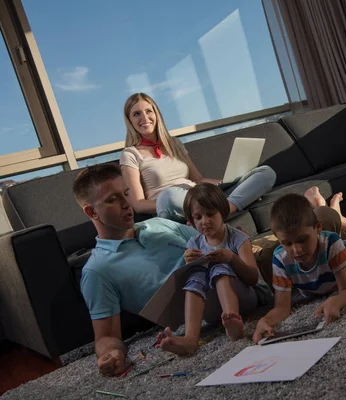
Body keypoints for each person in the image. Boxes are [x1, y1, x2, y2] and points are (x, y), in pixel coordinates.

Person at [73, 164, 268, 376]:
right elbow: (106, 336)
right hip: (204, 305)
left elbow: (212, 239)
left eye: (126, 194)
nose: (126, 204)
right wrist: (111, 353)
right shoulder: (97, 271)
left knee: (286, 242)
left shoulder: (158, 224)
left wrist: (239, 243)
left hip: (237, 277)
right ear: (92, 211)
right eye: (112, 199)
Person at [252, 193, 346, 344]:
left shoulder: (332, 243)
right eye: (288, 243)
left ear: (318, 227)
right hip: (328, 252)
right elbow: (282, 308)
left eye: (302, 240)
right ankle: (328, 210)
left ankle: (342, 220)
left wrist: (338, 300)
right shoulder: (280, 259)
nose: (297, 250)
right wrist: (266, 320)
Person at [119, 92, 276, 222]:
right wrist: (169, 202)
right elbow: (138, 204)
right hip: (175, 206)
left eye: (148, 111)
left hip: (200, 195)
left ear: (156, 114)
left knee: (265, 172)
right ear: (130, 120)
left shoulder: (174, 144)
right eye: (136, 114)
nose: (144, 117)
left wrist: (227, 183)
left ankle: (226, 207)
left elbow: (198, 180)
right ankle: (222, 207)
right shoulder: (130, 154)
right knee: (169, 195)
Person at [155, 183, 260, 355]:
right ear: (191, 221)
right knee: (196, 272)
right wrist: (187, 262)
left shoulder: (238, 238)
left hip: (244, 301)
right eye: (198, 217)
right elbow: (190, 283)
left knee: (220, 264)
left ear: (223, 212)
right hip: (212, 310)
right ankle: (190, 339)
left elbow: (254, 278)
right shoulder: (194, 243)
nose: (205, 221)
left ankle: (232, 320)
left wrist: (232, 259)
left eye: (210, 214)